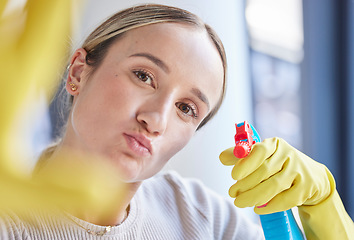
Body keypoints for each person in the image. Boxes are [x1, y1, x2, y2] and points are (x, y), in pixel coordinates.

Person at [0, 3, 353, 240]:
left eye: (187, 108)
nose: (155, 119)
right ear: (78, 71)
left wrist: (324, 208)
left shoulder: (203, 219)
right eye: (143, 75)